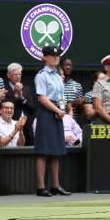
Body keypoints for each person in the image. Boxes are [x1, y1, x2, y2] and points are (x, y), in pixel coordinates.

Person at [34, 46, 71, 197]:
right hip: (47, 112)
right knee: (43, 150)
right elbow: (42, 98)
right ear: (44, 57)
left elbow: (61, 95)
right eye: (52, 55)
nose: (56, 58)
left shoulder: (57, 75)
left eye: (57, 56)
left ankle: (55, 185)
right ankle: (41, 187)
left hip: (58, 112)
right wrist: (57, 110)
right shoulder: (42, 75)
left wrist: (63, 110)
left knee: (56, 150)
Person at [4, 62, 36, 146]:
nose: (18, 76)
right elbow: (6, 107)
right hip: (12, 126)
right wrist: (16, 95)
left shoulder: (26, 89)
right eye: (15, 74)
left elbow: (32, 109)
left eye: (20, 74)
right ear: (8, 75)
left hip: (27, 126)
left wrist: (22, 97)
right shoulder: (5, 90)